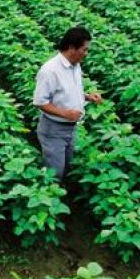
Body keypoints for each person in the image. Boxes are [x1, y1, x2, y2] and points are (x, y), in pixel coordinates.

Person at [33, 26, 103, 180]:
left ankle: (65, 195)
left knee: (67, 167)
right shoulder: (50, 70)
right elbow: (39, 102)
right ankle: (51, 198)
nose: (86, 54)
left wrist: (88, 97)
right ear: (71, 47)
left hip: (71, 129)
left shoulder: (75, 65)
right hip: (53, 129)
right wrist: (65, 113)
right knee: (54, 173)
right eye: (84, 50)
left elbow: (69, 91)